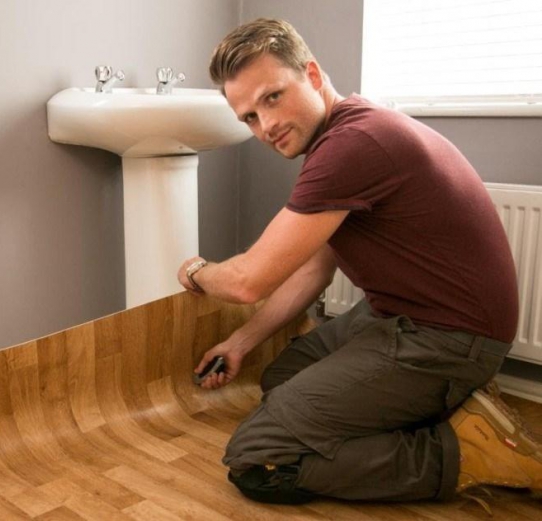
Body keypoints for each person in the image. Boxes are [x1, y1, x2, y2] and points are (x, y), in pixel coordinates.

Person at [177, 18, 541, 506]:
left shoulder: (351, 146)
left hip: (449, 337)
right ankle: (458, 409)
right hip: (401, 317)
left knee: (258, 460)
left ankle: (464, 453)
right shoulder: (348, 134)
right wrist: (240, 343)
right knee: (280, 379)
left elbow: (247, 282)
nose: (266, 126)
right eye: (249, 118)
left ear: (311, 75)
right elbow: (314, 269)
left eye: (272, 97)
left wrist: (195, 271)